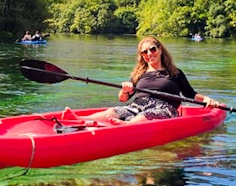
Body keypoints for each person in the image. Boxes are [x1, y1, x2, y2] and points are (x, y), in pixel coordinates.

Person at [62, 36, 220, 125]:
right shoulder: (139, 73)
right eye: (145, 52)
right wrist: (125, 90)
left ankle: (127, 126)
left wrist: (207, 99)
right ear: (142, 56)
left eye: (152, 49)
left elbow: (191, 95)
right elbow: (123, 98)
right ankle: (79, 120)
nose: (149, 54)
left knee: (148, 115)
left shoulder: (175, 73)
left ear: (160, 50)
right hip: (137, 106)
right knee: (114, 111)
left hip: (164, 109)